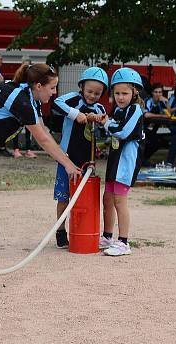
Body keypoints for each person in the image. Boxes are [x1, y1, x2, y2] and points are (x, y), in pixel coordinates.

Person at [0, 63, 82, 253]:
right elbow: (42, 139)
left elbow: (43, 130)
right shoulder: (22, 100)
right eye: (52, 88)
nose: (54, 93)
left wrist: (66, 159)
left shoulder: (29, 97)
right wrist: (68, 165)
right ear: (38, 86)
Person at [50, 66, 108, 247]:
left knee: (83, 197)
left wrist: (99, 120)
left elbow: (105, 122)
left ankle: (80, 230)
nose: (92, 96)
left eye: (97, 93)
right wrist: (76, 115)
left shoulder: (99, 107)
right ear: (81, 86)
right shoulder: (73, 99)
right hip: (67, 157)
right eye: (89, 91)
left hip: (87, 161)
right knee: (64, 197)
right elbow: (56, 103)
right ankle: (60, 231)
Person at [97, 67, 145, 257]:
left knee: (119, 201)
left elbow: (123, 132)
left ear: (134, 92)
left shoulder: (135, 110)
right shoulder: (118, 109)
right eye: (117, 93)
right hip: (115, 159)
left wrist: (107, 123)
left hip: (127, 161)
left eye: (125, 93)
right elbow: (113, 130)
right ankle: (107, 237)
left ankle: (124, 242)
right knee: (107, 199)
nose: (120, 97)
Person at [141, 83, 170, 166]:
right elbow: (146, 114)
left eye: (160, 92)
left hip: (153, 128)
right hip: (142, 127)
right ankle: (142, 159)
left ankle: (144, 159)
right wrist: (161, 115)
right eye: (156, 92)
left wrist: (167, 102)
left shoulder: (161, 102)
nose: (158, 94)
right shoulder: (148, 101)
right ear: (152, 93)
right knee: (151, 141)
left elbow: (169, 114)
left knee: (158, 142)